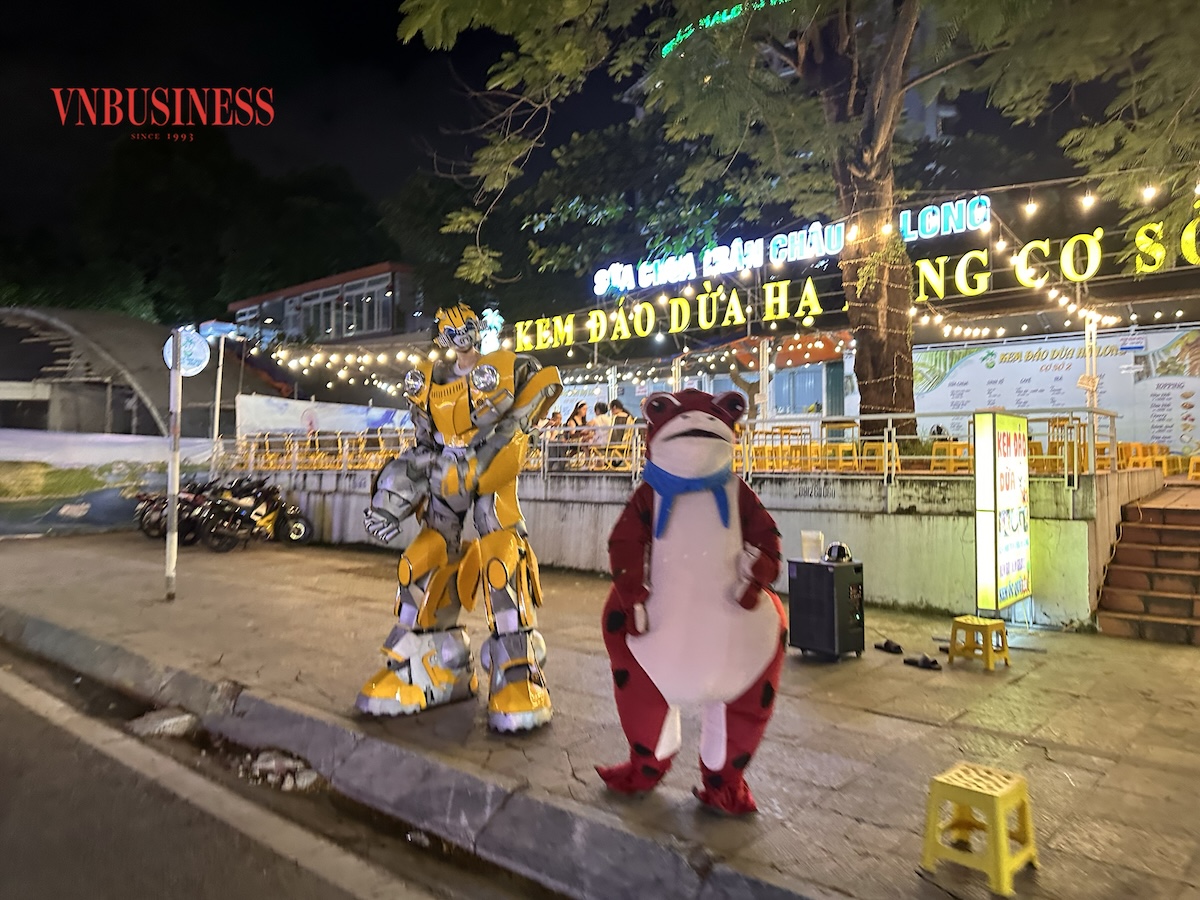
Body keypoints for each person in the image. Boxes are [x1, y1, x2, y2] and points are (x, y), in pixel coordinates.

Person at [359, 302, 563, 732]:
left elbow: (523, 417)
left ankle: (518, 674)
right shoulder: (430, 383)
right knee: (421, 559)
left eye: (467, 327)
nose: (461, 336)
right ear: (441, 340)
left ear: (478, 330)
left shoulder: (508, 368)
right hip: (445, 478)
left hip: (491, 478)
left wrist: (489, 455)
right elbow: (423, 447)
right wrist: (390, 500)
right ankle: (428, 664)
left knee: (500, 562)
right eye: (451, 332)